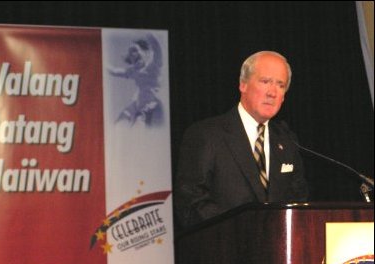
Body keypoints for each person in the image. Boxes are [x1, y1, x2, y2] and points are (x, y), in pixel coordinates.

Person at [174, 51, 309, 228]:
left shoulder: (287, 139)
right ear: (243, 85)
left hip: (278, 249)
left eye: (280, 85)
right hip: (223, 248)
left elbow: (298, 199)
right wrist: (242, 230)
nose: (272, 92)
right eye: (265, 81)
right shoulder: (207, 135)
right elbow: (191, 202)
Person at [107, 34, 164, 127]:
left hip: (152, 106)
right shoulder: (133, 71)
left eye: (135, 50)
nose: (133, 55)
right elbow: (113, 71)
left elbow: (157, 48)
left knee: (141, 124)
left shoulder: (154, 66)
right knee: (122, 120)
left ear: (145, 53)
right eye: (130, 54)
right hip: (138, 107)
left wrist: (148, 33)